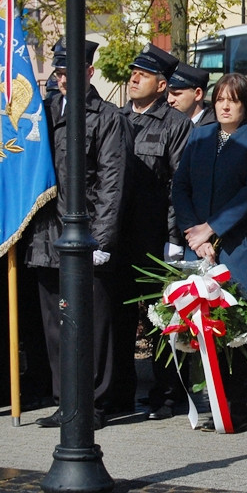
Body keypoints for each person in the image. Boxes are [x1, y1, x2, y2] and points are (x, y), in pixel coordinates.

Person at [25, 38, 129, 430]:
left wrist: (101, 240)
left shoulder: (106, 118)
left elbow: (111, 184)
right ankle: (64, 400)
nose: (64, 79)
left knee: (93, 324)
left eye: (71, 72)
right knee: (55, 325)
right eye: (60, 72)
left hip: (86, 237)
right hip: (47, 235)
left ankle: (95, 402)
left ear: (89, 72)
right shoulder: (45, 112)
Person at [171, 73, 247, 432]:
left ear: (246, 104)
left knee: (240, 324)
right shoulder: (200, 136)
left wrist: (213, 228)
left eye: (233, 99)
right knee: (207, 325)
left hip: (241, 247)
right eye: (220, 100)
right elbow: (180, 186)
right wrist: (196, 235)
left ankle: (242, 405)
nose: (226, 105)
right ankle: (217, 403)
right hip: (202, 245)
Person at [116, 43, 193, 419]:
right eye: (133, 72)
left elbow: (180, 185)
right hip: (116, 236)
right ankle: (119, 392)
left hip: (155, 237)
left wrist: (174, 239)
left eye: (143, 74)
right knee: (117, 318)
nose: (134, 79)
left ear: (162, 85)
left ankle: (166, 395)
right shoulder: (116, 119)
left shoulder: (176, 125)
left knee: (161, 319)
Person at [167, 62, 216, 127]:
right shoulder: (165, 123)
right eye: (168, 93)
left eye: (176, 94)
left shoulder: (215, 128)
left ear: (198, 94)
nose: (169, 100)